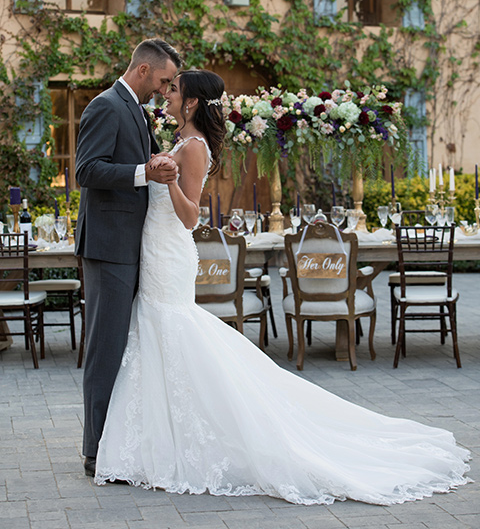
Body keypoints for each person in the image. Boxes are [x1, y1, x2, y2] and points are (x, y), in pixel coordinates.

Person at [94, 69, 470, 505]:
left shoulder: (193, 149)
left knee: (172, 331)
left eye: (173, 90)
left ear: (192, 102)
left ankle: (182, 438)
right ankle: (158, 437)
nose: (167, 95)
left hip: (170, 251)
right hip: (156, 251)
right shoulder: (181, 143)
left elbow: (191, 217)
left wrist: (171, 179)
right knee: (161, 335)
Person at [75, 38, 182, 478]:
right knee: (105, 347)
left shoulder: (134, 108)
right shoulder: (106, 106)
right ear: (142, 71)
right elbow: (86, 169)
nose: (163, 88)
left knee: (125, 346)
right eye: (162, 80)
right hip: (108, 247)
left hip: (130, 246)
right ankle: (95, 451)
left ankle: (117, 441)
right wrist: (144, 172)